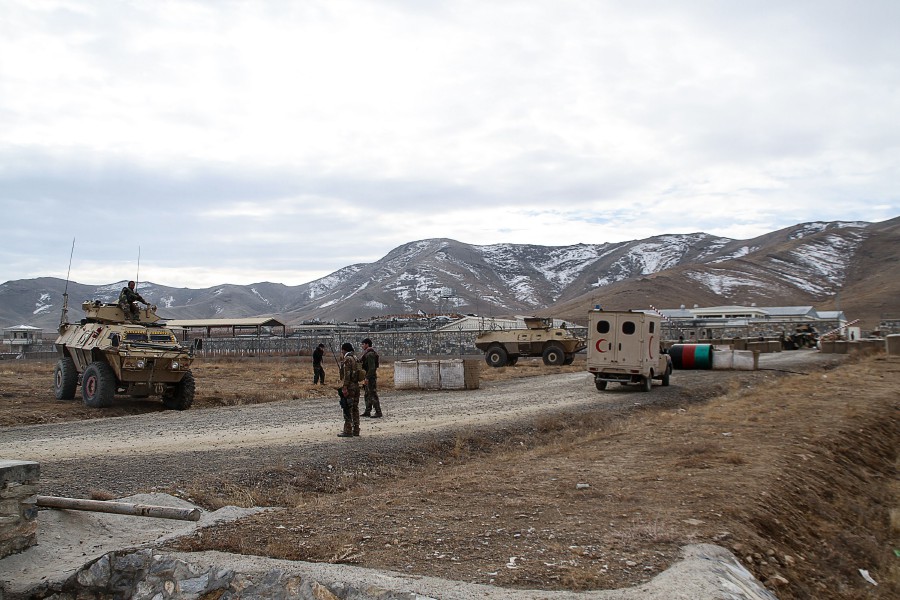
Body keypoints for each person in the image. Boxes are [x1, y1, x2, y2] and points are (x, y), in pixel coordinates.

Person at [337, 342, 361, 437]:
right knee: (355, 408)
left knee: (347, 408)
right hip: (356, 385)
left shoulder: (347, 359)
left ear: (344, 350)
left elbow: (347, 375)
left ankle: (348, 430)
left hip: (350, 386)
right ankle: (356, 429)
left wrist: (345, 387)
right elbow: (360, 371)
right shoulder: (356, 358)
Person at [359, 338, 382, 418]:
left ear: (367, 344)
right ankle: (367, 411)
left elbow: (372, 368)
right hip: (368, 376)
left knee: (372, 394)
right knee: (367, 394)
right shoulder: (367, 353)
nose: (362, 346)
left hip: (370, 377)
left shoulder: (370, 354)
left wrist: (367, 378)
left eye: (363, 344)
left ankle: (378, 412)